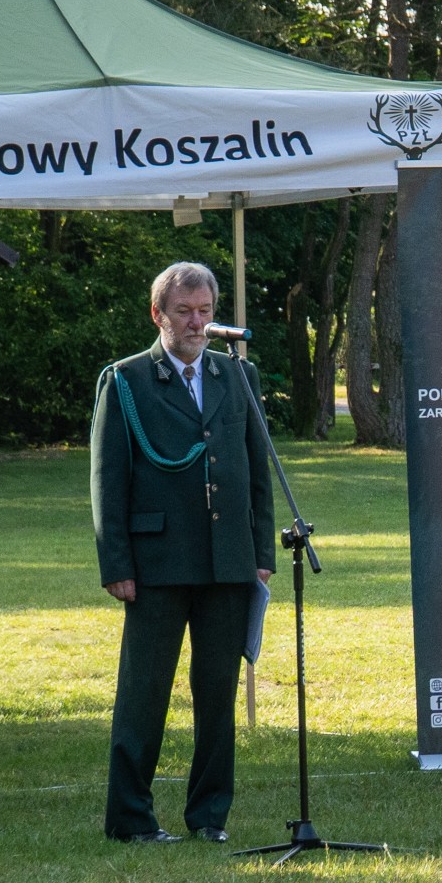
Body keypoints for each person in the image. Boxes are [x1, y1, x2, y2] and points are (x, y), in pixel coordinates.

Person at [90, 262, 275, 844]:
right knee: (144, 693)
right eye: (184, 312)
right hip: (157, 564)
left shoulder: (237, 375)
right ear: (158, 315)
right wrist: (117, 564)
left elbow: (258, 472)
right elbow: (107, 480)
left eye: (205, 311)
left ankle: (209, 816)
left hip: (227, 561)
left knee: (217, 694)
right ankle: (130, 818)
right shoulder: (126, 381)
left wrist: (260, 553)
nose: (197, 323)